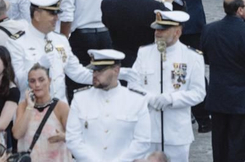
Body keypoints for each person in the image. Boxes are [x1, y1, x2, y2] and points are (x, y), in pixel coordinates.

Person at [126, 10, 207, 162]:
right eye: (156, 29)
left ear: (177, 31)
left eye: (163, 29)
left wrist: (172, 99)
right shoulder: (144, 52)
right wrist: (149, 98)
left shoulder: (192, 57)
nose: (157, 33)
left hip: (176, 132)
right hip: (147, 131)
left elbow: (198, 93)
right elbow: (133, 85)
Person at [65, 50, 144, 162]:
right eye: (93, 71)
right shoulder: (80, 98)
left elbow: (142, 141)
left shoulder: (136, 100)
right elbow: (73, 139)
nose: (95, 75)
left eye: (100, 71)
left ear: (116, 70)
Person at [11, 63, 70, 162]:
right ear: (28, 84)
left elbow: (76, 137)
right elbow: (17, 134)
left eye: (41, 80)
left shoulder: (61, 107)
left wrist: (64, 136)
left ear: (49, 80)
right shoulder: (23, 106)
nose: (37, 85)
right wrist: (30, 106)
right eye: (32, 81)